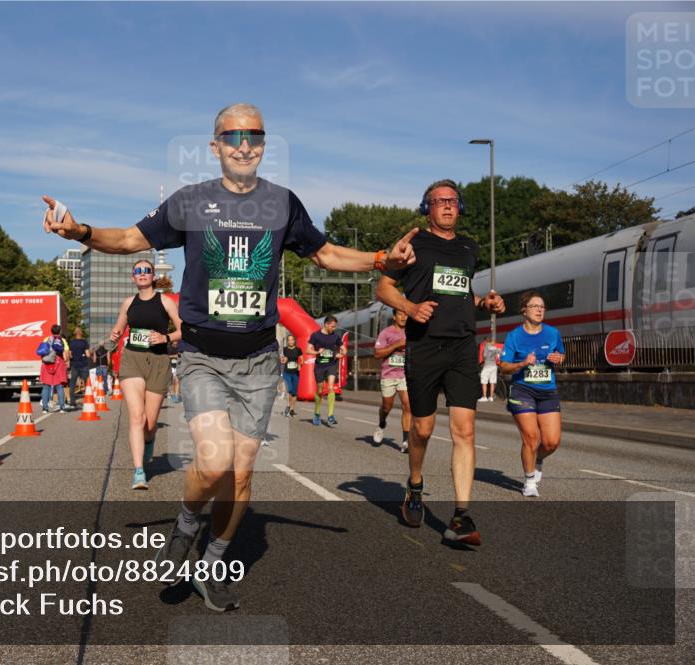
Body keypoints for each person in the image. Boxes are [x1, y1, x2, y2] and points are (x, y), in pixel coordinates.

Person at [43, 102, 415, 611]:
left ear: (263, 145)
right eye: (233, 135)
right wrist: (81, 232)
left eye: (254, 135)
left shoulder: (283, 204)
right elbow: (130, 239)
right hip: (203, 357)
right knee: (214, 463)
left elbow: (326, 253)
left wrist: (378, 259)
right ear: (215, 146)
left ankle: (211, 563)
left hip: (260, 362)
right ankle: (185, 525)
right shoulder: (191, 202)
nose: (244, 144)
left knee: (240, 475)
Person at [376, 179, 505, 546]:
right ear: (427, 208)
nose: (447, 206)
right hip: (426, 346)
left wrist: (484, 303)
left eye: (452, 201)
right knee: (423, 429)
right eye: (439, 201)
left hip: (464, 346)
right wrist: (410, 307)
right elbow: (383, 288)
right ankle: (415, 484)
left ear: (459, 207)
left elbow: (461, 288)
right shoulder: (413, 244)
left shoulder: (469, 247)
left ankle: (461, 516)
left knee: (465, 431)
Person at [109, 259, 183, 489]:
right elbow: (119, 328)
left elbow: (184, 329)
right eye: (137, 271)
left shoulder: (166, 301)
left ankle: (149, 438)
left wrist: (166, 338)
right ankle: (139, 471)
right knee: (137, 417)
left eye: (146, 271)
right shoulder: (128, 303)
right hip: (132, 359)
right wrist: (114, 334)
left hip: (159, 362)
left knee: (150, 423)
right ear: (133, 278)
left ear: (153, 276)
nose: (142, 274)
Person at [498, 291, 565, 497]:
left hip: (547, 391)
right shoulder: (515, 336)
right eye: (535, 306)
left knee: (551, 442)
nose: (539, 310)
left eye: (542, 307)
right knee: (531, 437)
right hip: (522, 390)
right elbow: (504, 367)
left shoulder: (553, 333)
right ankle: (529, 481)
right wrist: (522, 363)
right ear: (524, 310)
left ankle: (537, 460)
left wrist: (558, 358)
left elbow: (561, 354)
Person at [372, 308, 411, 452]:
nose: (404, 317)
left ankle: (406, 441)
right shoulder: (386, 333)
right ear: (394, 317)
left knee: (408, 406)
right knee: (386, 407)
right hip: (389, 375)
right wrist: (396, 345)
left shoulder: (412, 331)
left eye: (406, 314)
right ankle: (382, 424)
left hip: (405, 375)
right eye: (400, 314)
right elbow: (377, 354)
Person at [307, 316, 345, 426]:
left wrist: (342, 353)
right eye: (332, 326)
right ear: (326, 324)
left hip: (331, 365)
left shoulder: (335, 336)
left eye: (335, 326)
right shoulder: (316, 335)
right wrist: (318, 352)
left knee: (330, 387)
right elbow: (308, 350)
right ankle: (317, 413)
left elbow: (344, 349)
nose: (334, 328)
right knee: (319, 391)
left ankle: (330, 415)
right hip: (319, 367)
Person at [39, 324, 68, 413]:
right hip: (59, 363)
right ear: (59, 331)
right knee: (59, 386)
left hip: (47, 363)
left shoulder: (46, 339)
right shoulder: (62, 340)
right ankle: (62, 407)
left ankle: (45, 408)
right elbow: (66, 354)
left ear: (51, 331)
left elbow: (42, 351)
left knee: (46, 386)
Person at [67, 327, 91, 410]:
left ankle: (72, 402)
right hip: (83, 365)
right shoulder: (84, 342)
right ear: (81, 333)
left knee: (72, 384)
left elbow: (69, 355)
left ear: (74, 333)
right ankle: (89, 400)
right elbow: (87, 354)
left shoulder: (72, 342)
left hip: (74, 365)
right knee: (87, 383)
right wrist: (90, 352)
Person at [279, 334, 302, 417]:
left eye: (292, 340)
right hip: (287, 372)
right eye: (289, 340)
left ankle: (292, 409)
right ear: (287, 341)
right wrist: (283, 360)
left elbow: (302, 360)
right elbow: (282, 360)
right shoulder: (285, 349)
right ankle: (288, 406)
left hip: (295, 373)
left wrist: (300, 365)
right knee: (289, 389)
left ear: (294, 341)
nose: (290, 341)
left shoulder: (298, 350)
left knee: (294, 392)